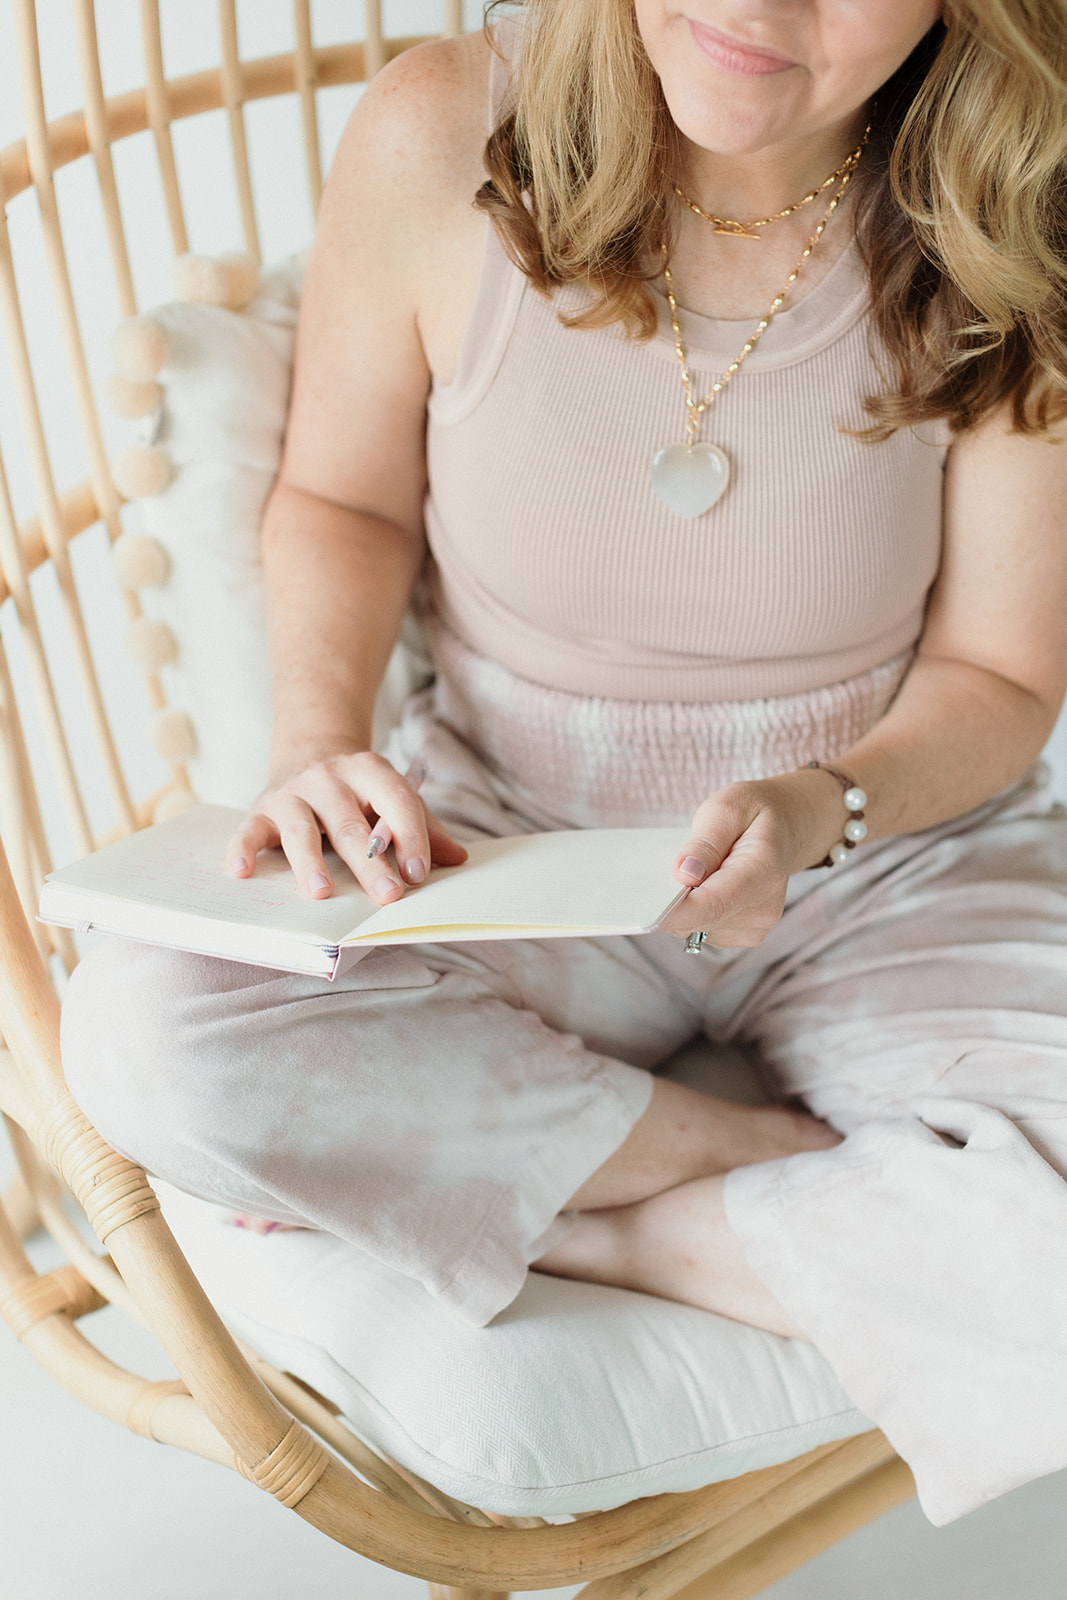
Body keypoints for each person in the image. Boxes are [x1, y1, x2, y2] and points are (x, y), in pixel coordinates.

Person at [62, 0, 1067, 1526]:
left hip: (884, 843)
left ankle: (611, 1225)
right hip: (501, 834)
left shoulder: (1013, 206)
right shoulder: (441, 129)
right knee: (146, 1035)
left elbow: (997, 676)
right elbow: (340, 502)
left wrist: (816, 807)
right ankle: (734, 1163)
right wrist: (319, 742)